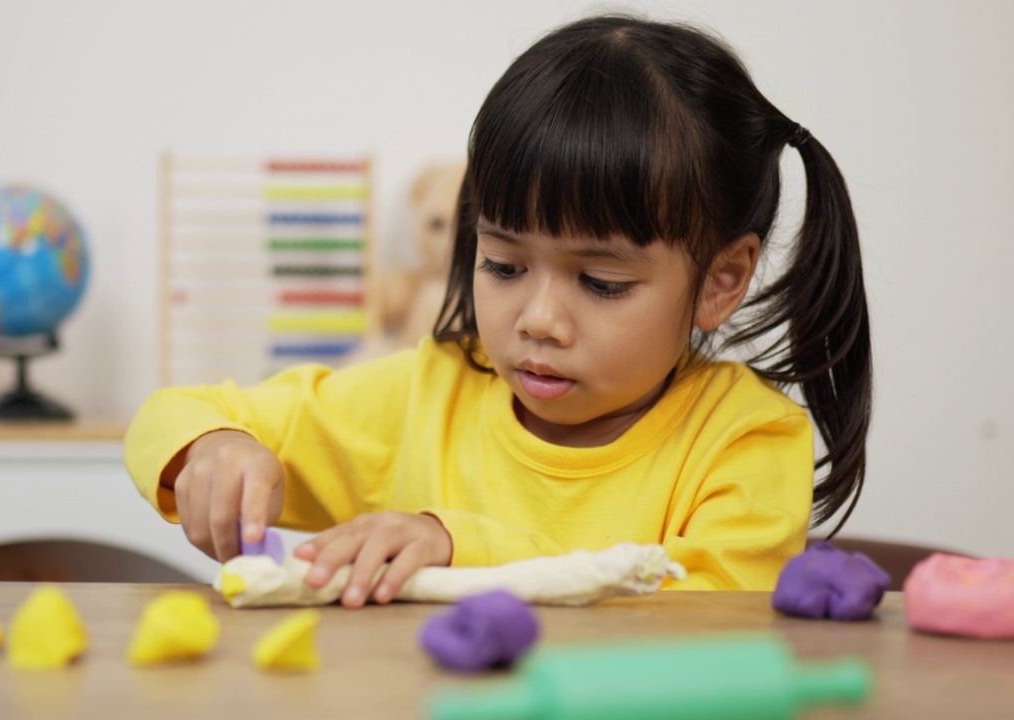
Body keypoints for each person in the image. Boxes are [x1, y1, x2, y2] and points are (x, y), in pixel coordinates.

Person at [124, 14, 871, 604]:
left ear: (720, 279)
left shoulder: (744, 441)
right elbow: (173, 412)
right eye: (505, 265)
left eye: (602, 282)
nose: (538, 317)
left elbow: (703, 622)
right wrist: (215, 450)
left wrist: (462, 548)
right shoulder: (429, 396)